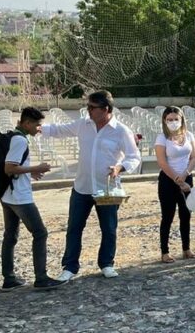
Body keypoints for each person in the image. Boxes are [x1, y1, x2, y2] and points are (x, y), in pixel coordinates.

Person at [43, 91, 140, 280]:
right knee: (74, 228)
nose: (88, 110)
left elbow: (134, 156)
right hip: (82, 187)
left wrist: (120, 167)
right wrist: (37, 128)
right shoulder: (83, 125)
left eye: (92, 107)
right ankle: (70, 267)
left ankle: (106, 263)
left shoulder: (121, 130)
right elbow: (59, 130)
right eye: (88, 106)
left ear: (106, 109)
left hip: (106, 189)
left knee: (109, 228)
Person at [0, 107, 66, 291]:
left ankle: (9, 278)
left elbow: (15, 167)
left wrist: (30, 172)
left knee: (10, 236)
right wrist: (36, 168)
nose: (39, 128)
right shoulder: (20, 140)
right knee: (40, 233)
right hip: (20, 197)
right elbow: (9, 168)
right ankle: (41, 278)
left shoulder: (15, 136)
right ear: (27, 123)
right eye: (37, 125)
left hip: (8, 195)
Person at [154, 106, 195, 263]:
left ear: (182, 120)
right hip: (168, 180)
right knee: (168, 216)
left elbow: (194, 157)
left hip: (186, 178)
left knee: (186, 214)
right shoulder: (162, 138)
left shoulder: (189, 135)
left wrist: (185, 175)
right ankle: (164, 251)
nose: (173, 122)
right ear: (165, 121)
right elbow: (162, 162)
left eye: (176, 119)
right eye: (169, 120)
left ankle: (186, 248)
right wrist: (176, 179)